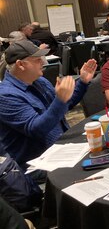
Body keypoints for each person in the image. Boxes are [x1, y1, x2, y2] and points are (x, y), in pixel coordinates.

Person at [0, 40, 97, 168]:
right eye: (37, 59)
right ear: (21, 64)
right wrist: (60, 100)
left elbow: (63, 106)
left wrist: (83, 81)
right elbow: (36, 129)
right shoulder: (6, 96)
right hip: (37, 163)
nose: (43, 62)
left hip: (62, 148)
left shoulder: (40, 81)